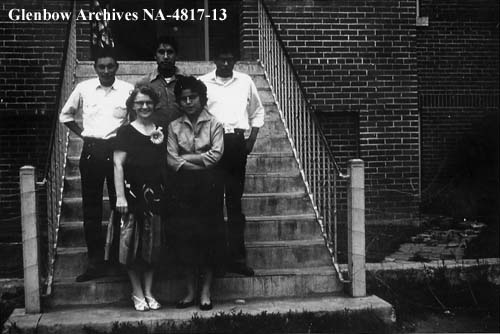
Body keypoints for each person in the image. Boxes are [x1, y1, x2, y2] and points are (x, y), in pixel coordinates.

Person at [59, 47, 133, 282]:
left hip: (117, 150)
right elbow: (66, 116)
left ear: (117, 67)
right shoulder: (84, 89)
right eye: (101, 67)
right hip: (91, 150)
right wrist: (84, 134)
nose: (106, 71)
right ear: (95, 68)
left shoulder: (127, 90)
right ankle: (95, 263)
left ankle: (118, 259)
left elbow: (134, 118)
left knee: (119, 205)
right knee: (91, 208)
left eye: (110, 66)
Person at [199, 50, 264, 277]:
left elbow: (257, 112)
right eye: (221, 59)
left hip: (237, 143)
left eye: (229, 59)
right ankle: (216, 259)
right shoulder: (203, 82)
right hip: (212, 143)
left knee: (234, 203)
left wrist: (251, 141)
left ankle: (237, 258)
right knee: (213, 203)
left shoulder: (245, 81)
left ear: (235, 61)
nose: (225, 63)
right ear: (214, 60)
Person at [167, 76, 224, 311]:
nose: (189, 102)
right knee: (185, 238)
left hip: (208, 187)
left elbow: (216, 156)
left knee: (208, 237)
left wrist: (186, 159)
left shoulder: (215, 124)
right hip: (181, 188)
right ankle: (190, 290)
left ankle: (205, 291)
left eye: (193, 97)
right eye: (184, 99)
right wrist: (197, 161)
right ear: (179, 102)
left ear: (202, 99)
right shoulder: (173, 126)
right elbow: (171, 160)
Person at [113, 84, 165, 311]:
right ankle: (137, 292)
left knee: (153, 246)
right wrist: (120, 197)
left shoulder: (160, 129)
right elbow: (117, 164)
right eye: (139, 103)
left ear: (154, 105)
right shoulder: (125, 131)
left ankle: (149, 290)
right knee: (132, 246)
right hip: (132, 194)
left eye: (148, 102)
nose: (144, 106)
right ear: (132, 106)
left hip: (156, 195)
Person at [138, 36, 182, 129]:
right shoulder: (144, 83)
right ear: (155, 55)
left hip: (182, 137)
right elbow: (136, 113)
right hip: (153, 135)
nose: (165, 57)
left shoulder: (187, 81)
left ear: (176, 55)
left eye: (170, 52)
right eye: (161, 52)